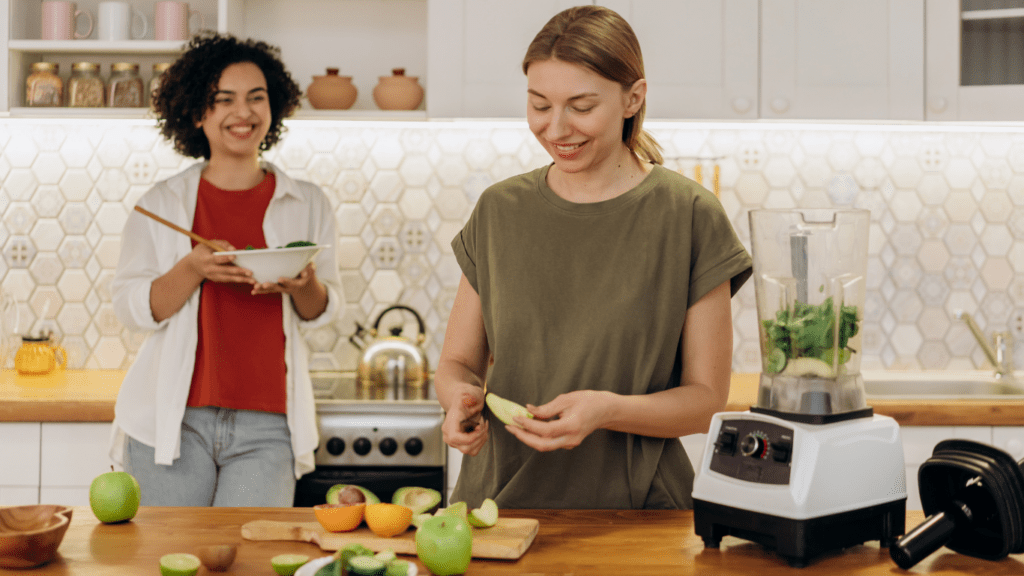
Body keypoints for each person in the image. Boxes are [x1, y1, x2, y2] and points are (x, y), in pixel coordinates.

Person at [436, 6, 753, 509]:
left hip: (639, 517)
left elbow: (705, 401)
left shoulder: (690, 215)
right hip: (496, 510)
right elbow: (457, 362)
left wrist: (605, 410)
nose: (556, 128)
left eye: (581, 106)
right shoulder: (498, 210)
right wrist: (459, 399)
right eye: (539, 105)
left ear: (633, 97)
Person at [109, 32, 343, 507]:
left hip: (268, 424)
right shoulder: (162, 204)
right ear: (198, 112)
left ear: (273, 107)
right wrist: (193, 267)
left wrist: (305, 283)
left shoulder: (308, 202)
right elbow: (133, 308)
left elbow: (321, 310)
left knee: (251, 560)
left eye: (257, 98)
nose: (244, 113)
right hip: (172, 419)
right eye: (224, 100)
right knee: (171, 559)